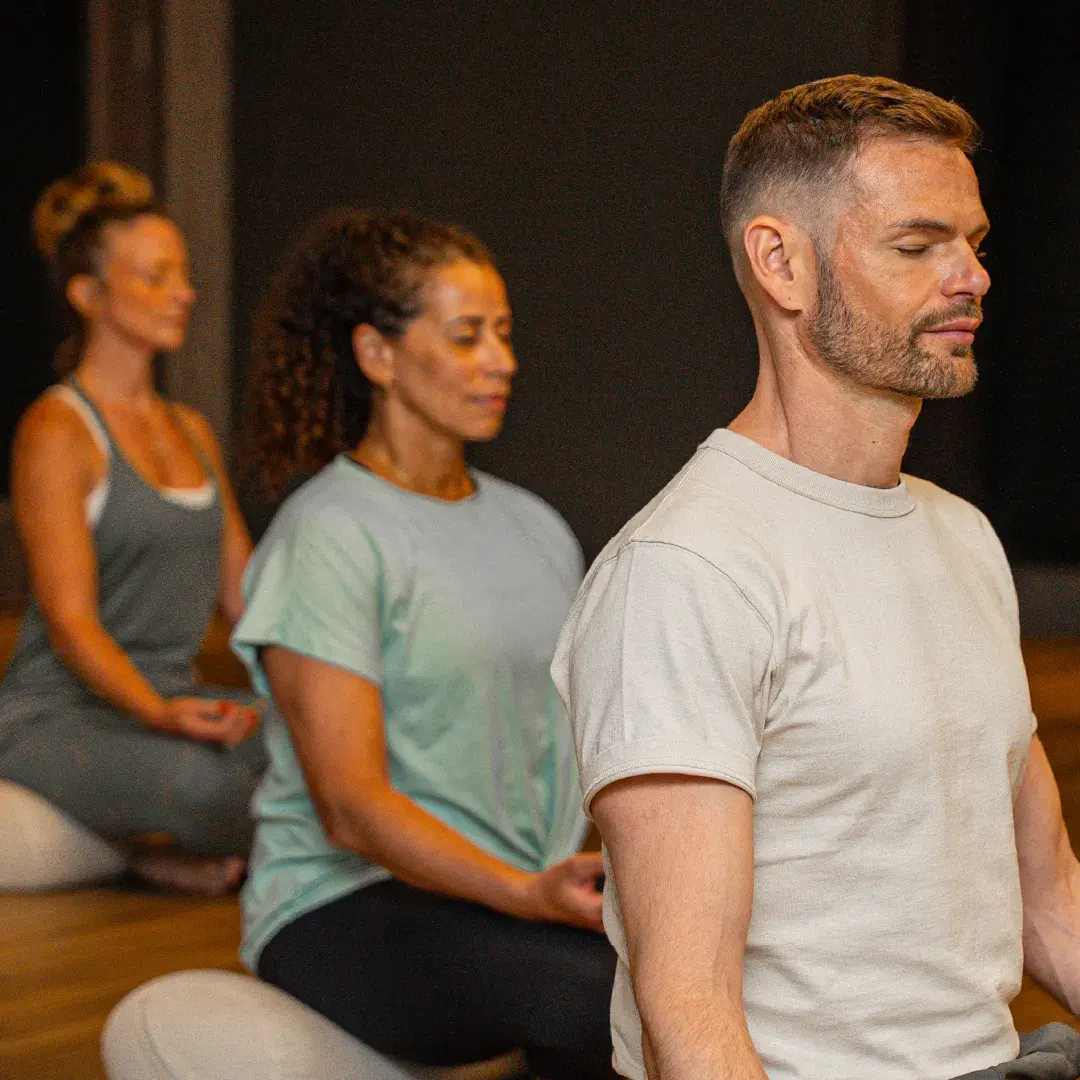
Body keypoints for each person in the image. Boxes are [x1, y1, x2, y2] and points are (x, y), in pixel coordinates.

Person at [552, 75, 1080, 1080]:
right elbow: (689, 1015)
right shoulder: (687, 572)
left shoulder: (961, 537)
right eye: (918, 246)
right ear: (780, 263)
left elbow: (1049, 898)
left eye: (974, 243)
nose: (971, 277)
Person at [232, 209, 617, 1079]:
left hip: (512, 896)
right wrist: (523, 895)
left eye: (505, 334)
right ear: (377, 354)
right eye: (468, 335)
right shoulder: (329, 534)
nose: (502, 361)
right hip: (345, 906)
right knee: (595, 994)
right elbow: (350, 807)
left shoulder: (537, 527)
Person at [0, 163, 266, 895]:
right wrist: (161, 713)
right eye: (155, 277)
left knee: (315, 750)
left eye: (182, 274)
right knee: (211, 789)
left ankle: (143, 852)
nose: (183, 292)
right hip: (56, 717)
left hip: (170, 702)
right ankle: (144, 853)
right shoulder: (56, 429)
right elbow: (71, 623)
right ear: (88, 295)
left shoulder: (191, 430)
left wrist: (320, 701)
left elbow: (244, 596)